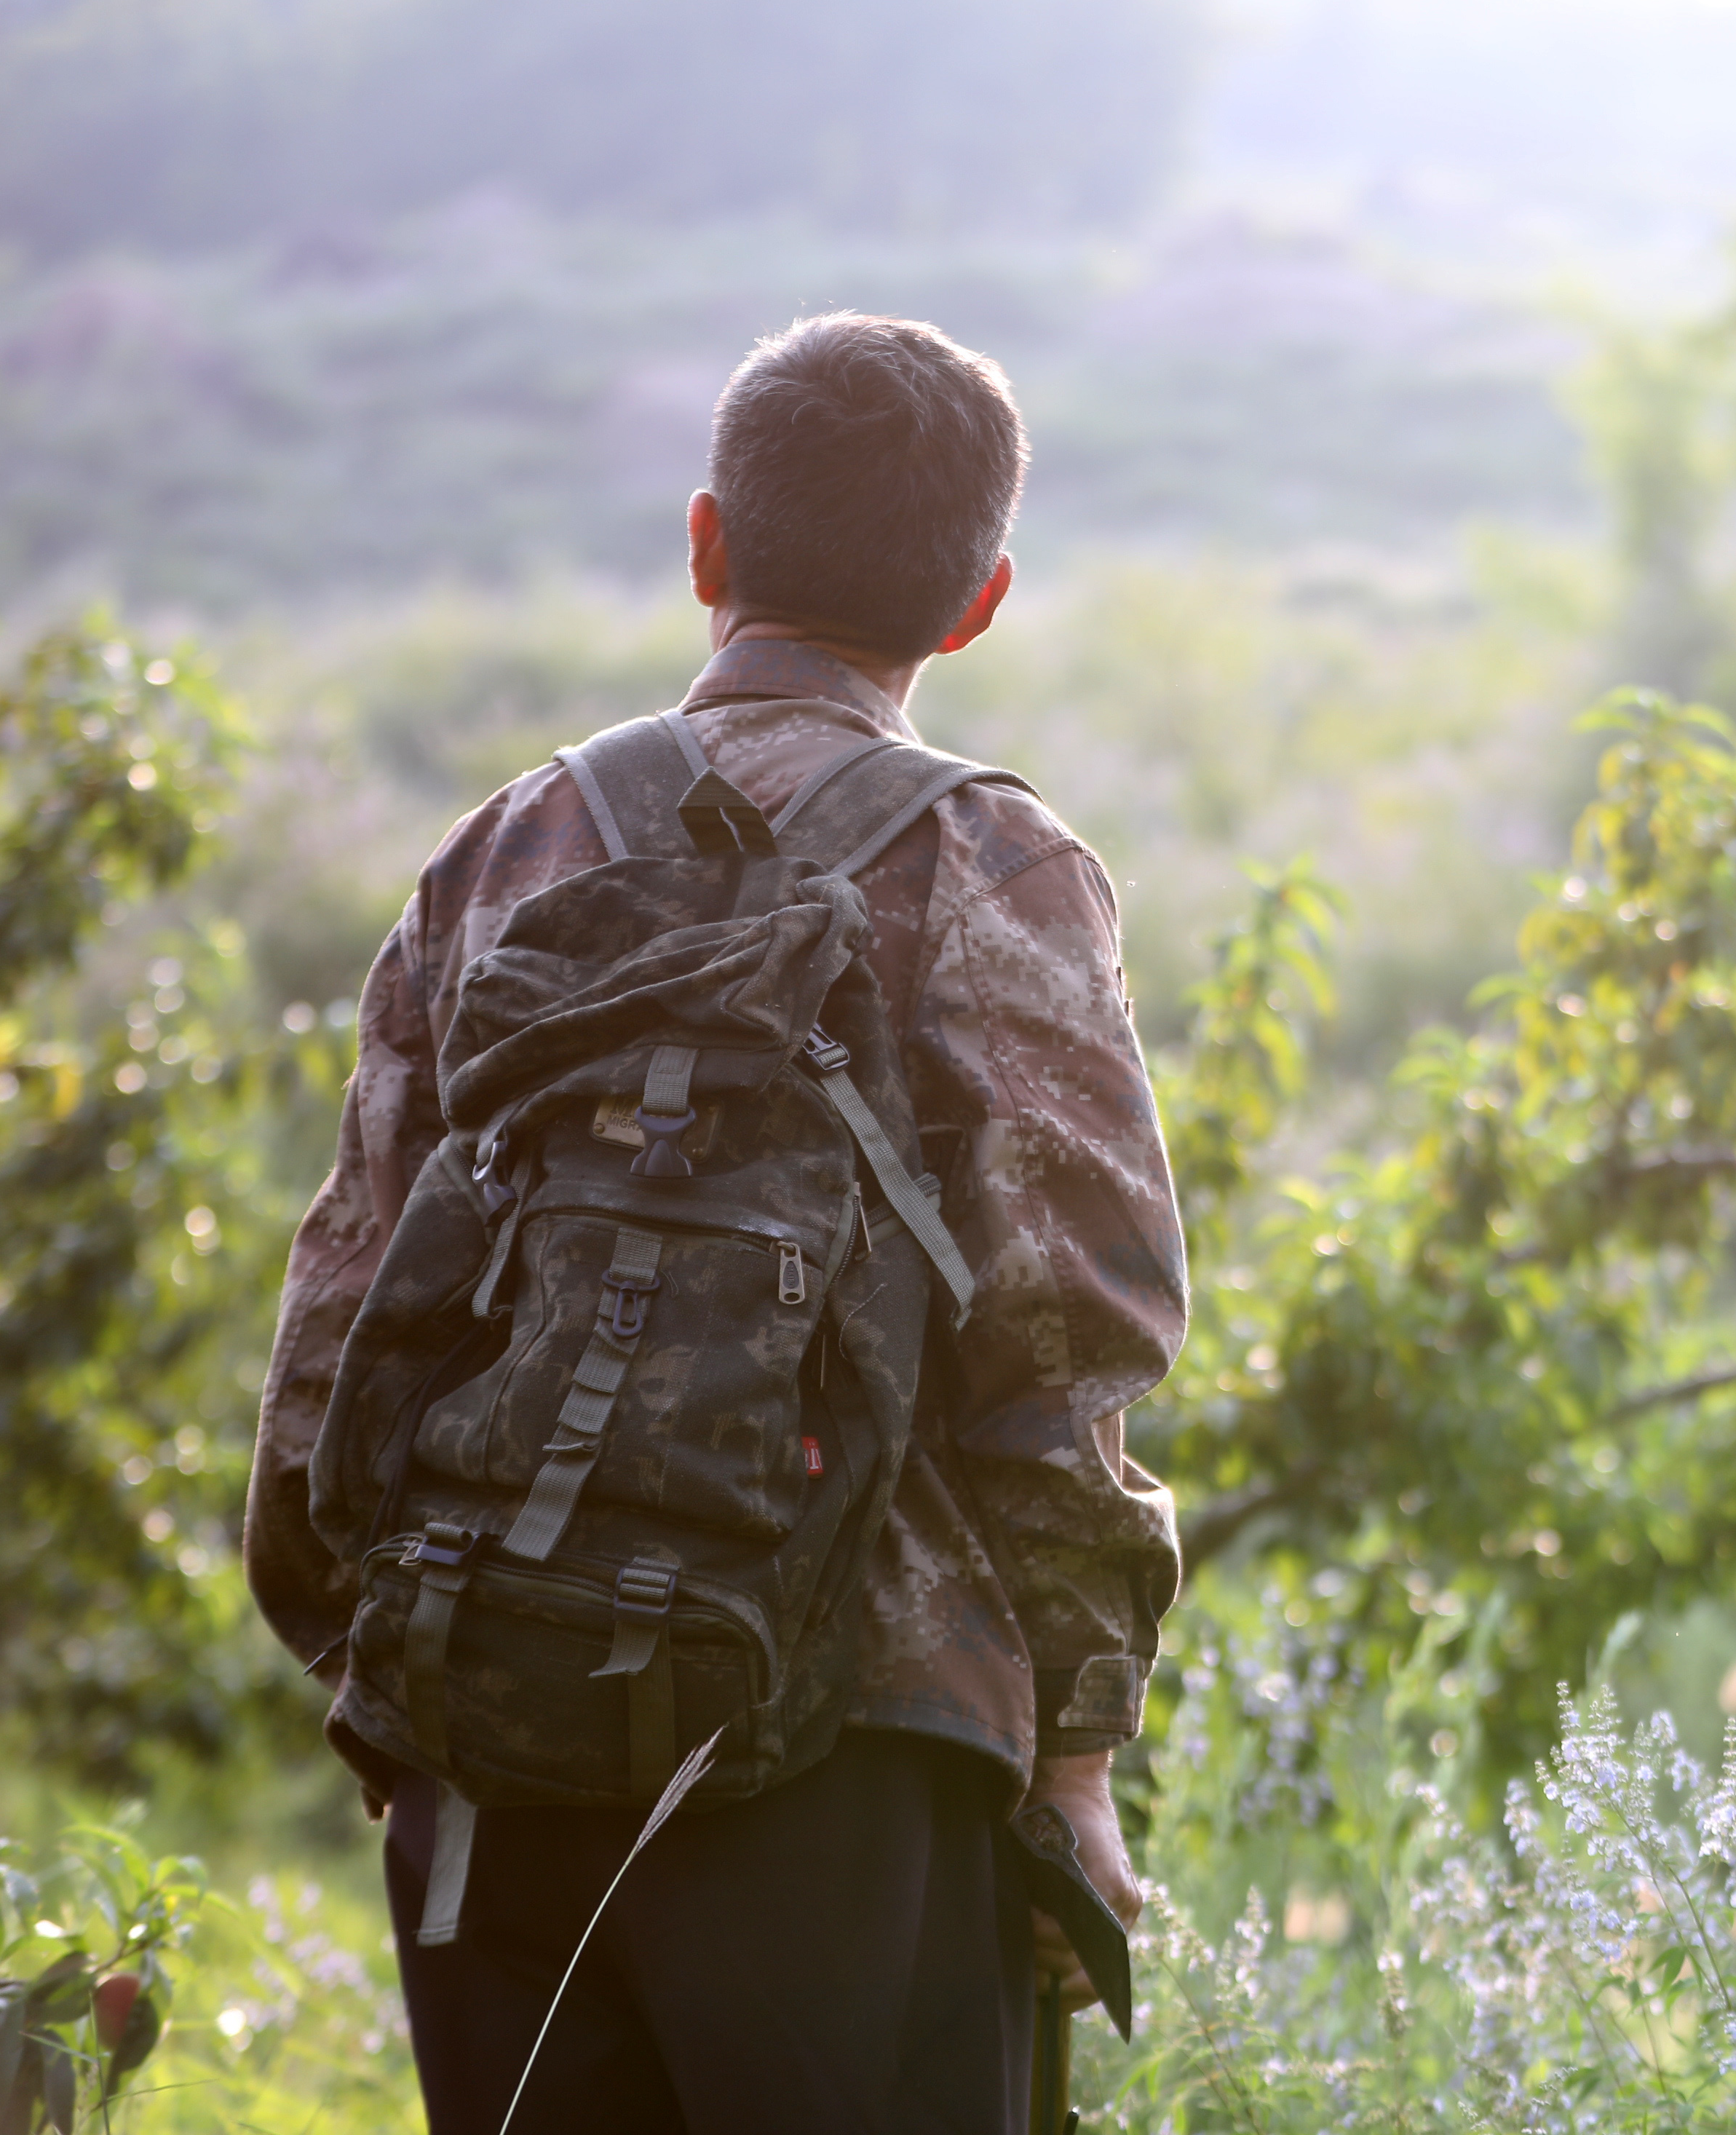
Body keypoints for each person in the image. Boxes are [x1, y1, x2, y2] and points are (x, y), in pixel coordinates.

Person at [242, 312, 1185, 2134]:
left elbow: (345, 1307)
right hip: (864, 1740)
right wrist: (1074, 1760)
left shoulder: (506, 850)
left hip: (488, 1737)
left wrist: (387, 1668)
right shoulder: (996, 869)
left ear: (705, 548)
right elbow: (1067, 1342)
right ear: (979, 602)